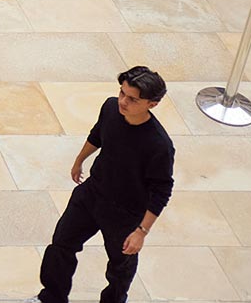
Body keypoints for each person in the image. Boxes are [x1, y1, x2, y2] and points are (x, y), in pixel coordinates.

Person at [27, 67, 175, 303]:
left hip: (125, 213)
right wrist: (79, 160)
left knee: (120, 268)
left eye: (132, 99)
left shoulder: (159, 145)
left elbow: (161, 191)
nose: (123, 102)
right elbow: (97, 135)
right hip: (92, 193)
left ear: (152, 104)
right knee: (61, 244)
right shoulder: (110, 108)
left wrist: (141, 232)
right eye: (122, 93)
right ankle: (51, 298)